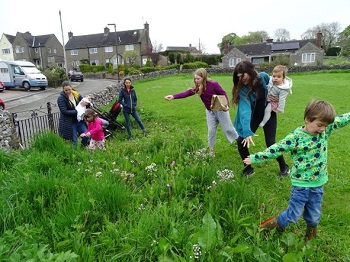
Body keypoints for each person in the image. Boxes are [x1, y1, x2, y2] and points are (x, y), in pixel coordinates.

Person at [243, 100, 350, 241]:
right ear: (307, 119)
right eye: (319, 125)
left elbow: (342, 119)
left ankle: (309, 242)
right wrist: (256, 157)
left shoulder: (325, 130)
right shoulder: (295, 138)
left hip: (318, 185)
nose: (323, 129)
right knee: (292, 216)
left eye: (325, 126)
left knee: (314, 217)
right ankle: (264, 229)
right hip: (301, 186)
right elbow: (276, 148)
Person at [232, 61, 289, 177]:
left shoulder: (263, 77)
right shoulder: (243, 89)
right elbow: (245, 110)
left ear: (250, 71)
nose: (241, 79)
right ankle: (248, 169)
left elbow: (278, 84)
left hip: (269, 113)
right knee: (241, 141)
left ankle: (284, 167)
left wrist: (280, 96)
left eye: (243, 75)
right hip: (255, 116)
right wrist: (247, 131)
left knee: (270, 143)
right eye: (238, 77)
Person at [164, 68, 238, 155]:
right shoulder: (197, 88)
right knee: (211, 131)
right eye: (195, 79)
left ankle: (241, 142)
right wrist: (173, 96)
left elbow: (223, 94)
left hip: (221, 110)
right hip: (210, 112)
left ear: (204, 78)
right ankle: (211, 151)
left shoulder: (213, 84)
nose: (196, 80)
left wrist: (227, 106)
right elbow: (186, 93)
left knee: (228, 129)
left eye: (198, 79)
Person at [57, 81, 89, 146]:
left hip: (79, 121)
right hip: (70, 122)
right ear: (63, 90)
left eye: (69, 89)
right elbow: (64, 111)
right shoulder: (61, 98)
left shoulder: (76, 94)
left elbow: (83, 103)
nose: (68, 91)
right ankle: (74, 153)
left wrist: (87, 103)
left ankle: (83, 147)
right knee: (74, 141)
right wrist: (77, 112)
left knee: (87, 135)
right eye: (66, 90)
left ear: (71, 88)